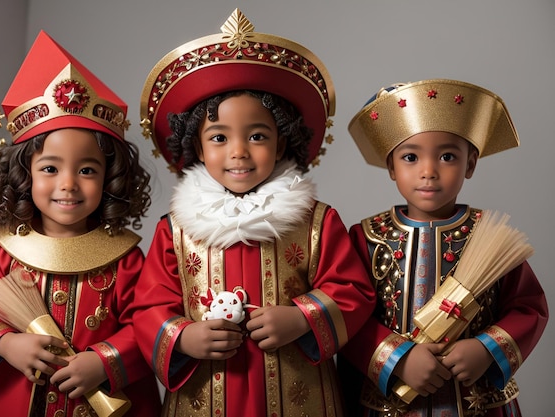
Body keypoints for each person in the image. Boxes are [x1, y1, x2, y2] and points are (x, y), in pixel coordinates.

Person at [133, 9, 376, 417]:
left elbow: (353, 292)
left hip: (301, 395)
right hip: (203, 396)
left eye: (258, 136)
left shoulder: (316, 222)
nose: (239, 151)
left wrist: (302, 319)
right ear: (198, 147)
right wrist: (183, 337)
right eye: (219, 137)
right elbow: (148, 307)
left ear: (281, 145)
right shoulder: (175, 230)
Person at [0, 31, 162, 417]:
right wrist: (7, 344)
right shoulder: (4, 249)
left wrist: (104, 360)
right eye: (50, 168)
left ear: (110, 177)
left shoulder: (125, 258)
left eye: (87, 169)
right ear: (24, 174)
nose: (68, 184)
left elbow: (147, 323)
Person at [338, 78, 549, 416]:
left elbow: (529, 308)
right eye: (410, 157)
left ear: (471, 163)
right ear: (391, 166)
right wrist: (398, 358)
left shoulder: (490, 237)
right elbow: (348, 315)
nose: (428, 171)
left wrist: (486, 349)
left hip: (478, 403)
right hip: (390, 403)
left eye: (448, 156)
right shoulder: (366, 237)